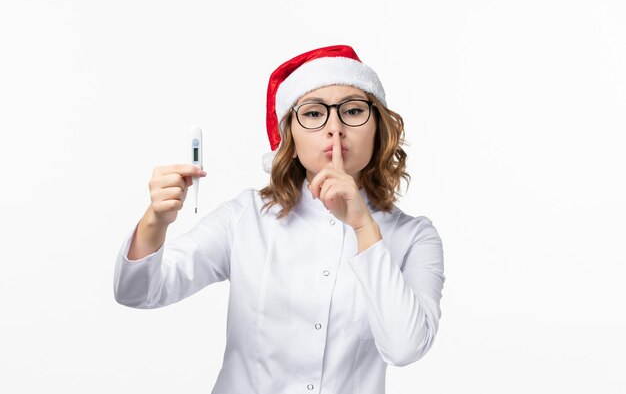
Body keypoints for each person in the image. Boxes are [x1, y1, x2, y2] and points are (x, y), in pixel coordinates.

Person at [113, 45, 445, 394]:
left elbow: (405, 348)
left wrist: (364, 228)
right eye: (314, 114)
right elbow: (138, 292)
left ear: (378, 127)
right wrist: (156, 220)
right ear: (290, 134)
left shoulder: (415, 237)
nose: (335, 128)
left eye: (353, 110)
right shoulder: (246, 218)